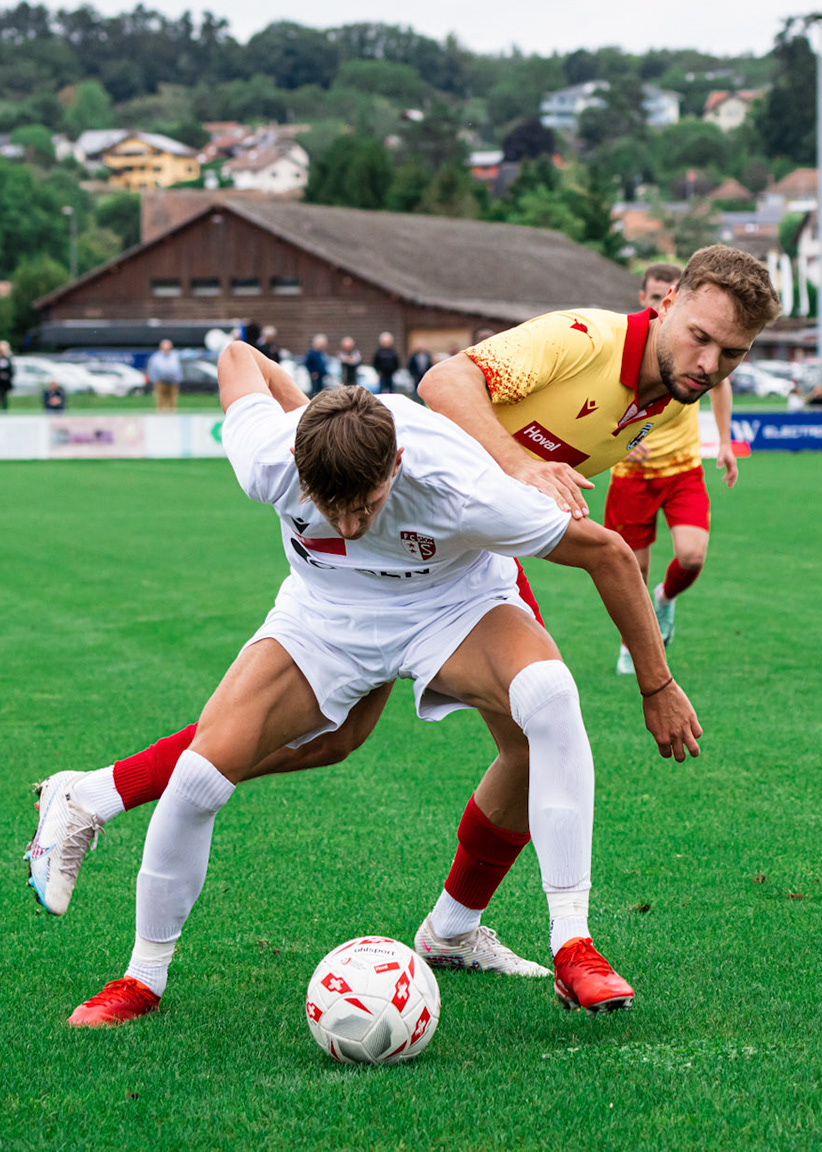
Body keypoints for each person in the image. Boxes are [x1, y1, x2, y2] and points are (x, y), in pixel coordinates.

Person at [25, 244, 780, 984]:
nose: (711, 362)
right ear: (667, 301)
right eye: (702, 338)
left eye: (731, 354)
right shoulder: (583, 342)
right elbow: (446, 378)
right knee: (330, 741)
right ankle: (95, 796)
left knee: (523, 726)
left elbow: (603, 552)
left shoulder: (661, 394)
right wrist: (474, 459)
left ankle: (466, 932)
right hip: (415, 544)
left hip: (457, 560)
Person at [55, 349, 687, 1027]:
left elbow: (609, 555)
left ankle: (573, 946)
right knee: (201, 776)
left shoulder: (461, 483)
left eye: (366, 507)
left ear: (396, 465)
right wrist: (299, 408)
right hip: (325, 621)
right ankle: (141, 978)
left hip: (453, 607)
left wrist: (657, 686)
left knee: (550, 696)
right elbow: (238, 357)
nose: (350, 527)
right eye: (332, 509)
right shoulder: (269, 454)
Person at [600, 264, 738, 673]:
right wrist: (618, 446)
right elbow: (599, 402)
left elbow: (721, 382)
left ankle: (665, 598)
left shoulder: (696, 349)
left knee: (692, 557)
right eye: (659, 292)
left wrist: (726, 442)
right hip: (631, 479)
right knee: (632, 572)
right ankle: (633, 646)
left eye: (674, 291)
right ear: (647, 299)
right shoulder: (623, 344)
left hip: (682, 470)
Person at [147, 339, 182, 413]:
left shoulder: (174, 356)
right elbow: (152, 369)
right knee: (161, 400)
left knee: (172, 400)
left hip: (173, 381)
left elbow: (178, 368)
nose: (166, 349)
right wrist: (154, 380)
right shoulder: (156, 357)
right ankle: (160, 414)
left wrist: (178, 378)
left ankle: (171, 415)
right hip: (160, 382)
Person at [0, 341, 16, 411]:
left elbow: (11, 369)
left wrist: (9, 377)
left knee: (5, 397)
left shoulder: (8, 358)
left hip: (6, 380)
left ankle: (5, 410)